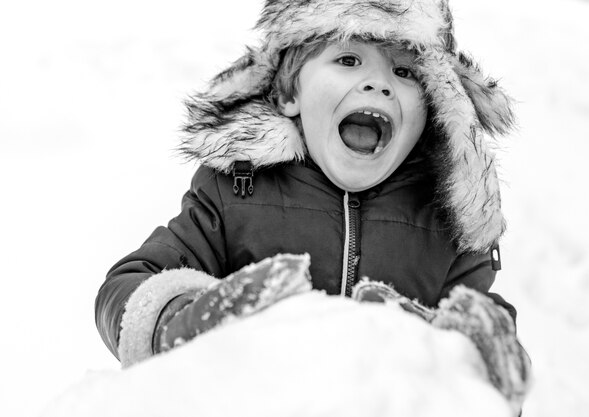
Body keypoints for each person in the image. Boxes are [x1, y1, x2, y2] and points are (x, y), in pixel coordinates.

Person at [95, 0, 530, 413]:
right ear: (290, 94)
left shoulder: (444, 219)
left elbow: (483, 356)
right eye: (347, 60)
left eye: (403, 71)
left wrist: (472, 355)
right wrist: (179, 320)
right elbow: (126, 287)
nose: (379, 83)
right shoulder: (237, 194)